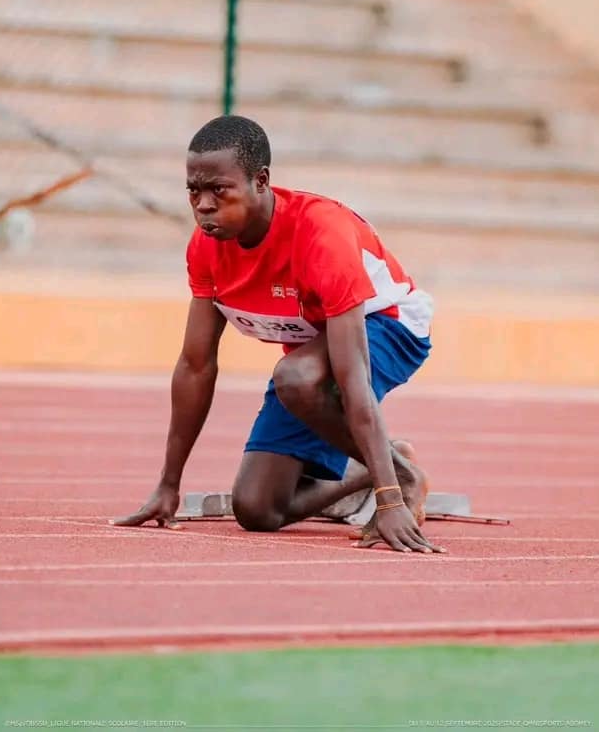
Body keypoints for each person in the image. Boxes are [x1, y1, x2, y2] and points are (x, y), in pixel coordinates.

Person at [112, 115, 444, 554]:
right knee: (257, 508)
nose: (204, 205)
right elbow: (195, 365)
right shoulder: (207, 246)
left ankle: (393, 480)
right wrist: (168, 485)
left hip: (389, 324)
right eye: (194, 190)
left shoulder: (322, 236)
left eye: (219, 189)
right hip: (313, 353)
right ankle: (394, 464)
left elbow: (353, 375)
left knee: (298, 378)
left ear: (261, 181)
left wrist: (390, 501)